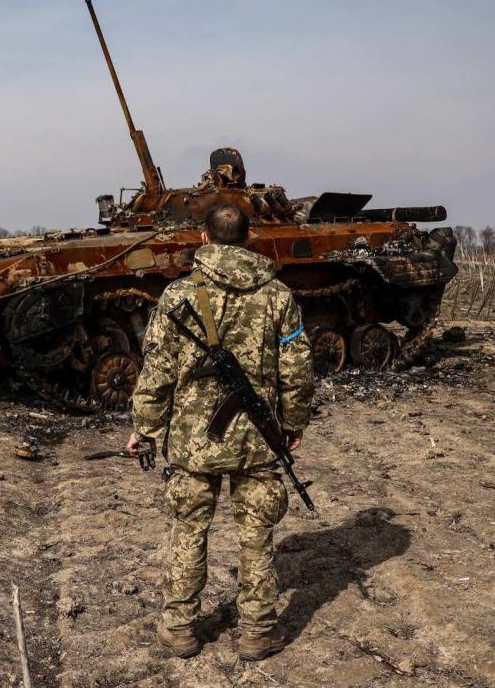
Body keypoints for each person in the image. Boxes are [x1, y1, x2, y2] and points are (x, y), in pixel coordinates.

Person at [127, 203, 315, 661]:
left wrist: (145, 428)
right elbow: (298, 368)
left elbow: (157, 371)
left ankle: (180, 628)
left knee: (189, 530)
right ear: (248, 240)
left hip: (193, 443)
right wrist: (291, 423)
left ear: (205, 239)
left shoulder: (177, 296)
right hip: (258, 437)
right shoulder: (278, 295)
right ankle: (257, 632)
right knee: (257, 535)